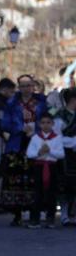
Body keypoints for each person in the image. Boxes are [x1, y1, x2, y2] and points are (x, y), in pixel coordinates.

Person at [0, 74, 47, 226]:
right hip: (17, 143)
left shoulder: (42, 101)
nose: (26, 88)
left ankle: (35, 211)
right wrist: (20, 128)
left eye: (29, 85)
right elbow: (5, 123)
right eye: (23, 85)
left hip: (36, 141)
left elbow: (48, 119)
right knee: (16, 179)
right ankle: (17, 213)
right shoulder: (12, 103)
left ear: (33, 85)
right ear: (19, 87)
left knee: (35, 178)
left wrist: (36, 127)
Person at [26, 112, 65, 228]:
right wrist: (39, 152)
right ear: (39, 124)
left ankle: (50, 218)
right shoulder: (35, 138)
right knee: (37, 193)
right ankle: (35, 219)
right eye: (43, 123)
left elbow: (61, 154)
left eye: (48, 123)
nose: (46, 125)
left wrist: (50, 151)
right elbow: (29, 154)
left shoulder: (57, 138)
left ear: (52, 124)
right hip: (39, 167)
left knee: (52, 194)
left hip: (52, 168)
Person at [55, 88, 76, 226]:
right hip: (65, 155)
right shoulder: (60, 115)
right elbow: (56, 136)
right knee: (66, 185)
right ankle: (64, 214)